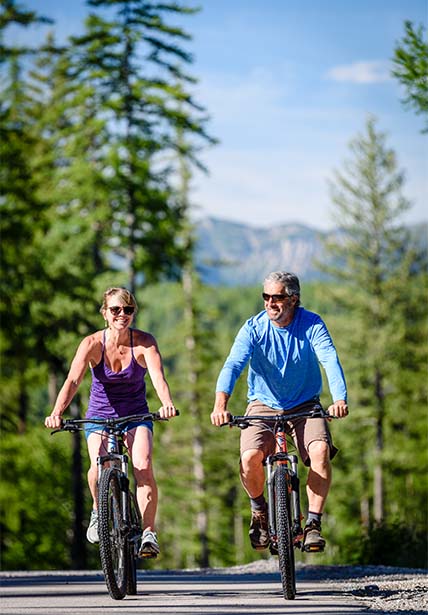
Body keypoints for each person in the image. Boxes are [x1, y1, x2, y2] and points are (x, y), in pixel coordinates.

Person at [210, 271, 348, 553]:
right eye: (266, 297)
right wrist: (220, 405)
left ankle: (312, 524)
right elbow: (233, 365)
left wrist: (339, 398)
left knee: (320, 451)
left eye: (278, 297)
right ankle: (259, 512)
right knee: (250, 457)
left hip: (305, 403)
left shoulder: (312, 324)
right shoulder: (253, 328)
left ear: (294, 299)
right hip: (262, 403)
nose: (270, 303)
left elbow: (329, 359)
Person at [45, 287, 177, 558]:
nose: (122, 315)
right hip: (99, 415)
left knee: (143, 464)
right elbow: (72, 381)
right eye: (115, 309)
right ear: (104, 313)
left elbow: (157, 378)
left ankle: (148, 533)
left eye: (128, 310)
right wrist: (57, 412)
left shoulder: (144, 342)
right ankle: (98, 510)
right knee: (98, 464)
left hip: (135, 414)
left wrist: (166, 404)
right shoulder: (92, 344)